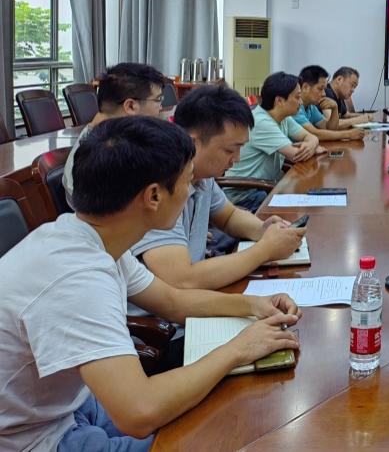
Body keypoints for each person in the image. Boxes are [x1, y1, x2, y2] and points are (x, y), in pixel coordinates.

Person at [0, 116, 301, 452]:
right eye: (188, 182)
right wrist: (238, 349)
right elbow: (139, 412)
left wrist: (253, 305)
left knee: (219, 413)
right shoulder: (77, 277)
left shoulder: (89, 236)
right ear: (154, 196)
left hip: (71, 405)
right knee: (218, 437)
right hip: (35, 439)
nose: (192, 191)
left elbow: (172, 301)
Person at [128, 86, 307, 369]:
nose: (237, 160)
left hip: (188, 311)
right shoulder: (160, 191)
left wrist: (264, 230)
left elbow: (229, 216)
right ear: (193, 143)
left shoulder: (201, 177)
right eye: (230, 150)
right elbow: (181, 281)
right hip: (161, 335)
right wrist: (265, 250)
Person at [63, 63, 167, 205]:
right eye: (158, 100)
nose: (161, 108)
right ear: (130, 106)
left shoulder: (118, 138)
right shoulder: (99, 160)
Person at [221, 72, 322, 212]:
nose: (300, 102)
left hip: (264, 187)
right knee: (302, 208)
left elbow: (311, 137)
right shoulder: (262, 122)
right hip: (245, 196)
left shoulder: (283, 118)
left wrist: (312, 142)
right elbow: (296, 155)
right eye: (297, 97)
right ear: (279, 101)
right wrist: (313, 146)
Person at [294, 65, 367, 140]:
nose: (324, 94)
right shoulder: (295, 106)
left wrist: (335, 109)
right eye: (320, 89)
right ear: (305, 87)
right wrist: (349, 134)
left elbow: (328, 128)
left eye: (324, 89)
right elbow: (315, 134)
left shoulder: (311, 107)